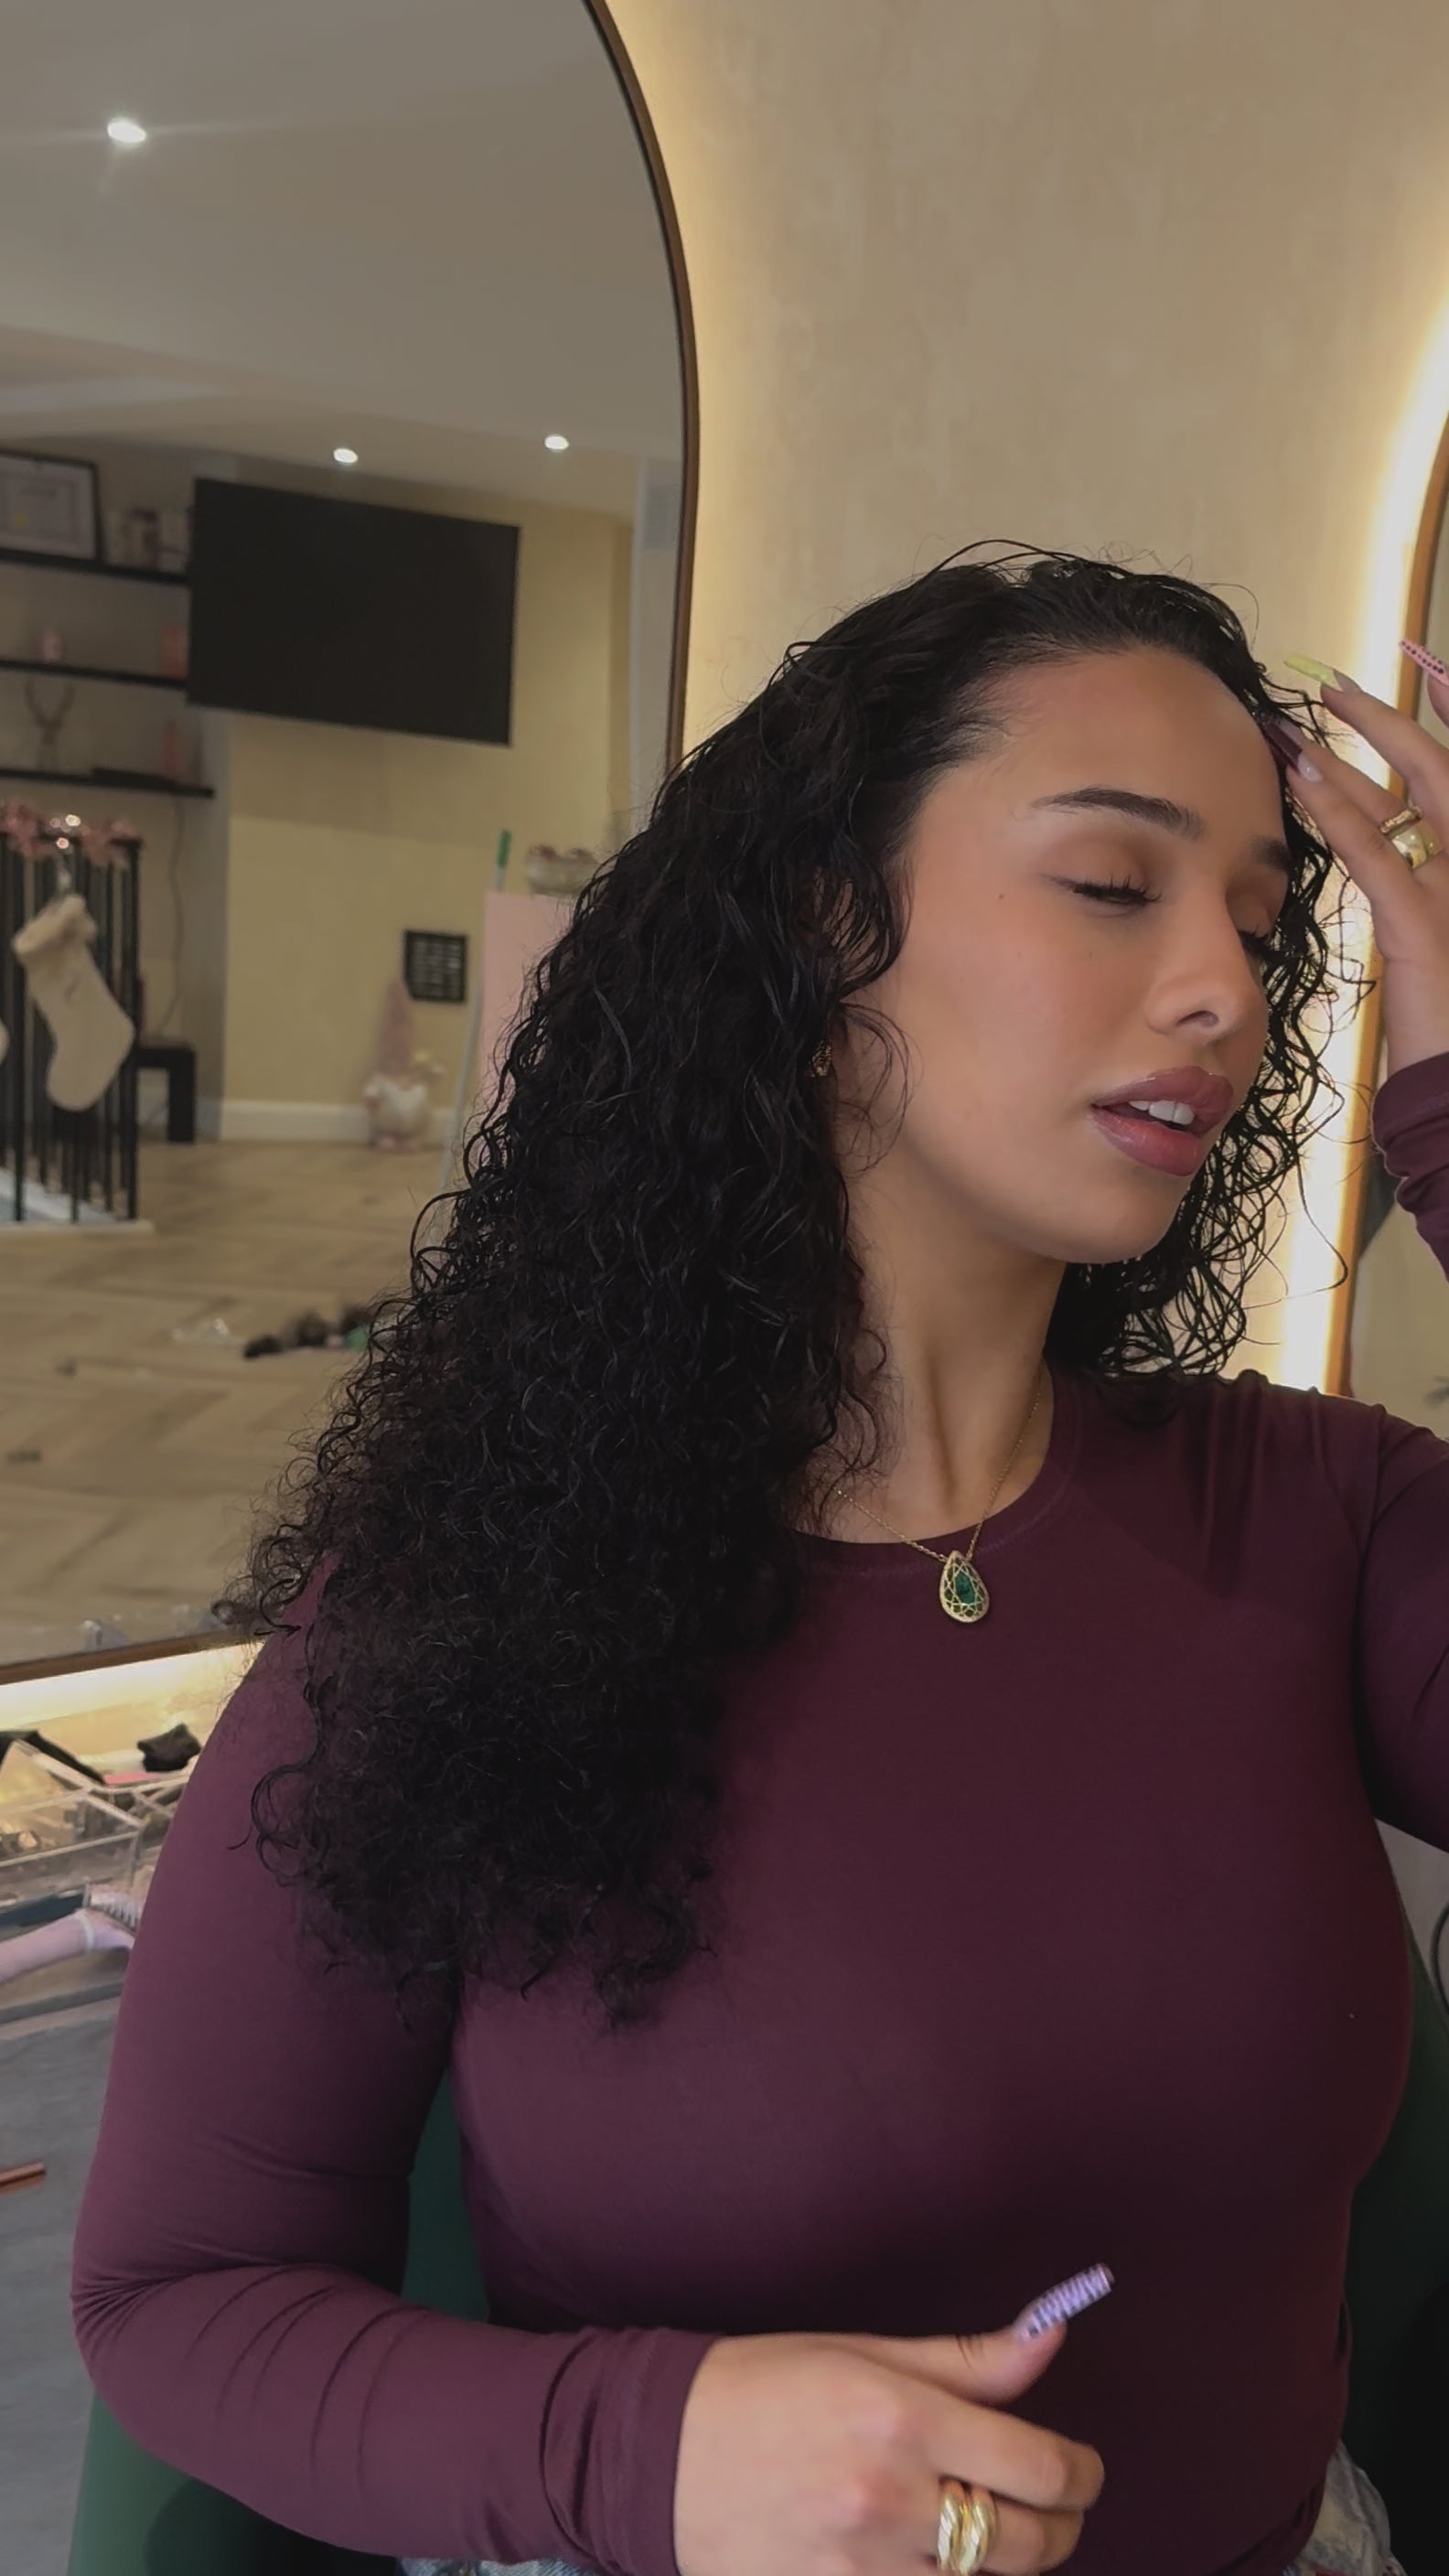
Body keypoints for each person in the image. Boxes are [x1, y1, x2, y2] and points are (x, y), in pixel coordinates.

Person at [71, 547, 1449, 2576]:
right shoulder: (466, 1601)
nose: (1227, 994)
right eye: (1110, 882)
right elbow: (178, 2299)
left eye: (1259, 921)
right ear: (822, 915)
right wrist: (648, 2449)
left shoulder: (1315, 1521)